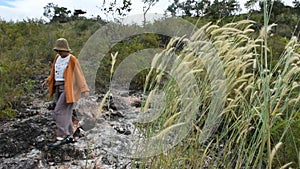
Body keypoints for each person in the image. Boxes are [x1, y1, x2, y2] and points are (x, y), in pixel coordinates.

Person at [42, 38, 89, 147]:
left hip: (69, 89)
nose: (59, 53)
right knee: (67, 112)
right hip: (58, 87)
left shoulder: (72, 59)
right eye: (57, 51)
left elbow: (79, 75)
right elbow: (53, 72)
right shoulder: (57, 58)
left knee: (58, 110)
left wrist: (84, 89)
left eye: (60, 50)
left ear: (66, 50)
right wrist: (47, 80)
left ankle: (62, 136)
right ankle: (69, 135)